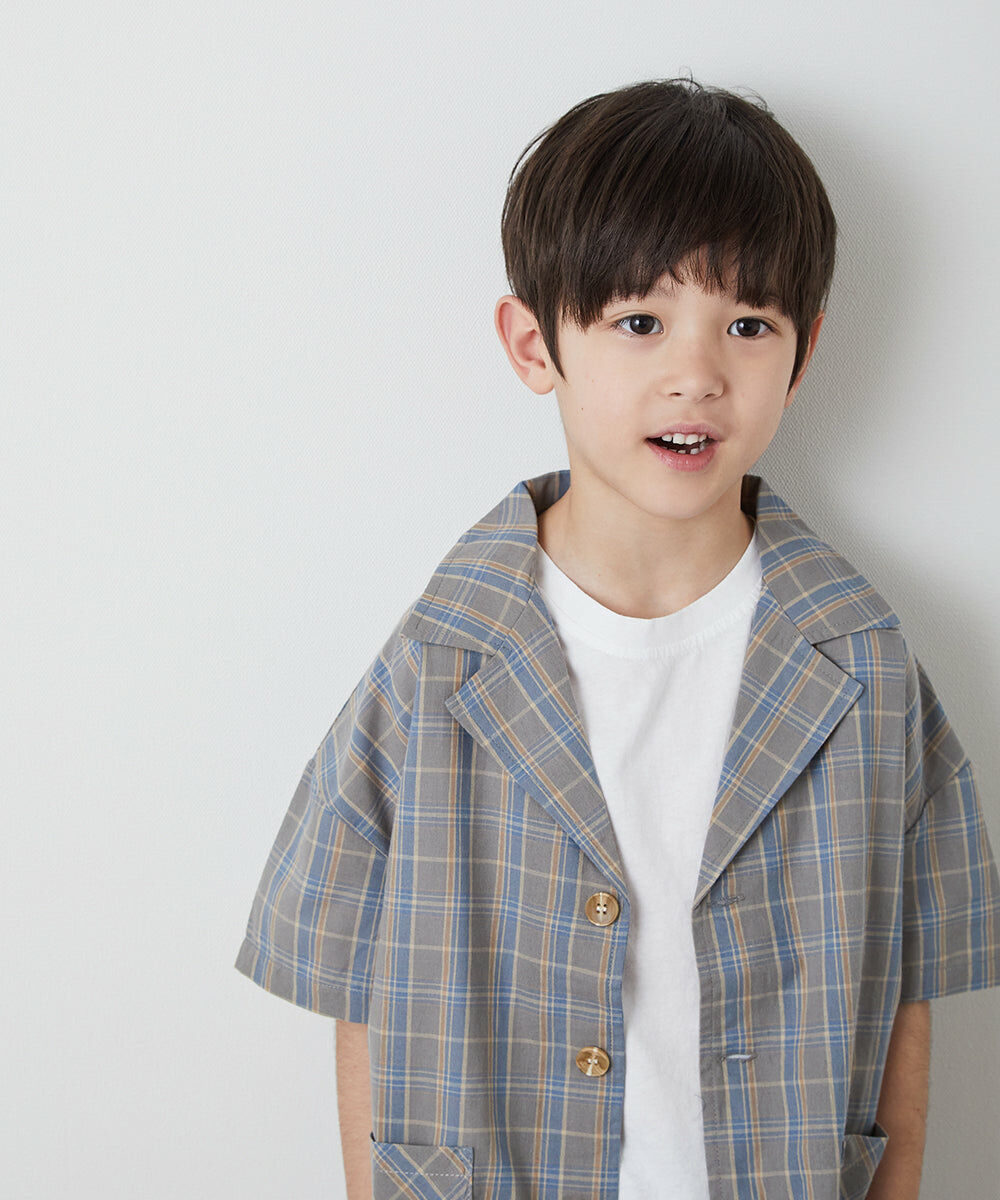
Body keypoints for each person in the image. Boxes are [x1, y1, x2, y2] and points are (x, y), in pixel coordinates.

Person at [234, 78, 1000, 1200]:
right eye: (640, 322)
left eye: (748, 326)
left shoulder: (862, 665)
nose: (697, 374)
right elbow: (359, 989)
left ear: (804, 354)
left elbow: (907, 995)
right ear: (533, 343)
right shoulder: (438, 663)